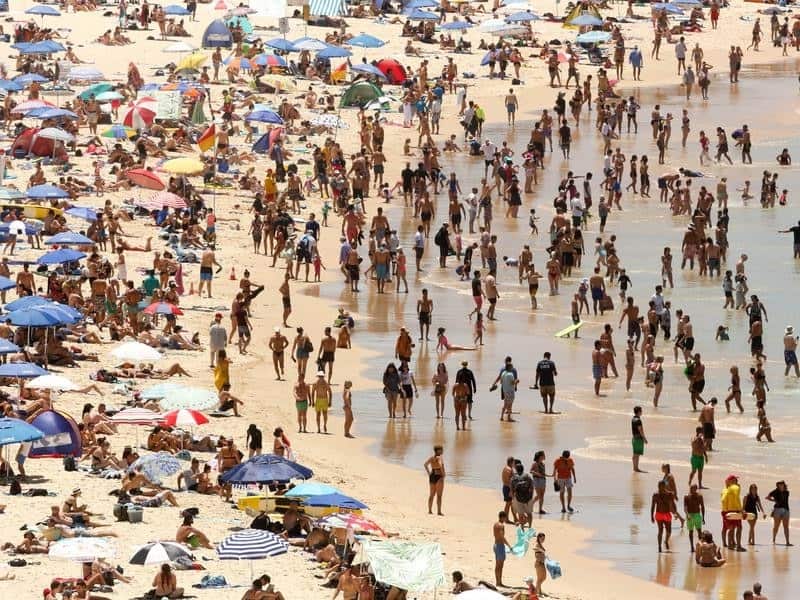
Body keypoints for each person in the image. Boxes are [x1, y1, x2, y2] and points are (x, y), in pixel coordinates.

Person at [651, 480, 677, 552]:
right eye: (659, 486)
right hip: (659, 514)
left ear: (664, 486)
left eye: (661, 486)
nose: (659, 488)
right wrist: (652, 516)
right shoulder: (655, 495)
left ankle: (666, 541)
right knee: (660, 530)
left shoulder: (669, 494)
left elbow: (673, 504)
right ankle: (659, 547)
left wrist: (675, 513)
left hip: (667, 514)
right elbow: (653, 506)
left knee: (669, 531)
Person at [721, 474, 746, 551]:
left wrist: (725, 512)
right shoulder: (735, 487)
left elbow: (723, 501)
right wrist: (741, 510)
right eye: (735, 479)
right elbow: (737, 499)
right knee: (739, 527)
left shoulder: (725, 490)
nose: (737, 481)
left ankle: (730, 545)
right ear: (732, 481)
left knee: (730, 528)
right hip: (735, 510)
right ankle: (738, 546)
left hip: (726, 511)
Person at [766, 480, 791, 546]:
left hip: (786, 510)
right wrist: (774, 500)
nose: (781, 485)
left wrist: (775, 500)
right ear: (777, 485)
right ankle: (774, 539)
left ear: (784, 484)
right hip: (777, 510)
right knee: (776, 526)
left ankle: (787, 542)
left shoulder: (787, 492)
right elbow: (767, 497)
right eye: (779, 484)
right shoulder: (775, 491)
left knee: (786, 527)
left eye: (782, 484)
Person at [424, 445, 445, 516]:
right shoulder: (440, 458)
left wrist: (429, 473)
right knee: (439, 495)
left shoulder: (431, 458)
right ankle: (439, 512)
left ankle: (430, 510)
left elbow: (425, 465)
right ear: (438, 450)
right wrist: (443, 474)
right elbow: (441, 465)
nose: (442, 451)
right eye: (441, 450)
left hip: (432, 475)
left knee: (431, 494)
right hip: (439, 476)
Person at [492, 512, 512, 587]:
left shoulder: (495, 524)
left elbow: (496, 535)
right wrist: (509, 546)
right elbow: (501, 536)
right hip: (500, 546)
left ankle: (498, 582)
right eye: (505, 517)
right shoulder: (501, 525)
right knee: (500, 566)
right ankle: (499, 582)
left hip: (496, 545)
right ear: (503, 517)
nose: (506, 519)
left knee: (497, 565)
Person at [684, 484, 706, 552]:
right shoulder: (686, 496)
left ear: (696, 489)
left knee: (699, 531)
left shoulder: (699, 496)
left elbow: (702, 507)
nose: (691, 490)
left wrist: (703, 518)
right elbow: (685, 507)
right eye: (690, 488)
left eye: (693, 489)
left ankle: (700, 546)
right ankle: (692, 547)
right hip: (690, 515)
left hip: (697, 515)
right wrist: (687, 514)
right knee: (691, 532)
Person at [631, 406, 647, 472]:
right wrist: (644, 438)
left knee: (635, 454)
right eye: (641, 411)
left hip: (634, 438)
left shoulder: (633, 419)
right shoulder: (638, 420)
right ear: (639, 412)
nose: (642, 412)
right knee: (637, 454)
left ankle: (635, 467)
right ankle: (636, 468)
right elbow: (640, 430)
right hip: (638, 439)